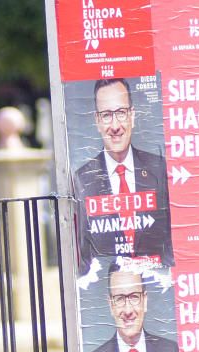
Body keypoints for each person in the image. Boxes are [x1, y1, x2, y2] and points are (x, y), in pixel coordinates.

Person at [73, 78, 173, 276]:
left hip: (160, 288)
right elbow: (84, 260)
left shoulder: (160, 169)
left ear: (132, 116)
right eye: (107, 115)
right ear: (97, 120)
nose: (116, 125)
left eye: (121, 113)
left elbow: (172, 245)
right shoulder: (82, 180)